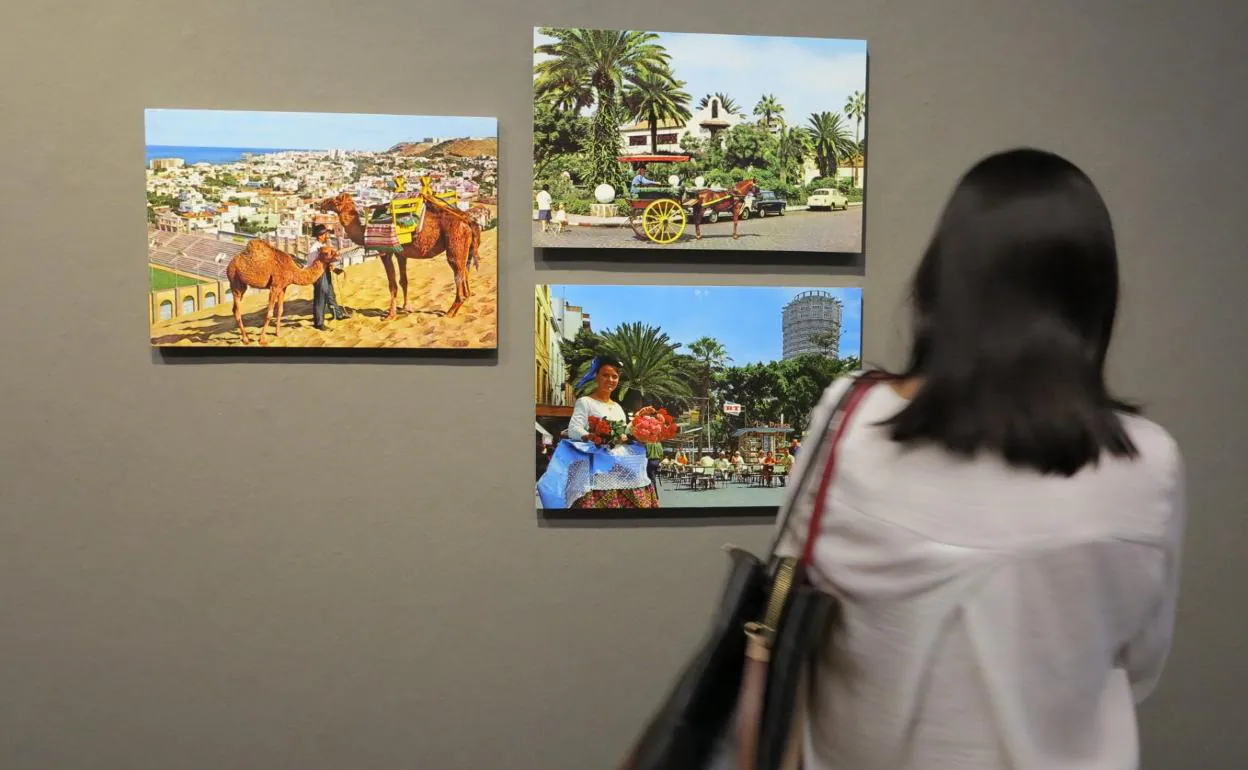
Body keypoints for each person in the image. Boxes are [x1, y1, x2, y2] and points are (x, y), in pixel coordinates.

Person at [774, 148, 1186, 770]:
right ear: (1092, 299)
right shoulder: (1149, 465)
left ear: (941, 281)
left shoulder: (852, 422)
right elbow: (1139, 665)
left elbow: (786, 590)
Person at [540, 357, 658, 509]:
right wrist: (591, 436)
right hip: (595, 466)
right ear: (596, 376)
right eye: (605, 375)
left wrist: (636, 420)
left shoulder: (617, 407)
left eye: (614, 376)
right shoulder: (585, 402)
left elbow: (623, 432)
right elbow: (574, 428)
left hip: (619, 464)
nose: (610, 380)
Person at [307, 224, 346, 330]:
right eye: (325, 234)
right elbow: (310, 264)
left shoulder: (323, 247)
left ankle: (337, 314)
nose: (327, 236)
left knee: (330, 293)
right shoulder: (314, 249)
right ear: (320, 236)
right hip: (319, 275)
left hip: (326, 272)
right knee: (320, 297)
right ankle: (318, 323)